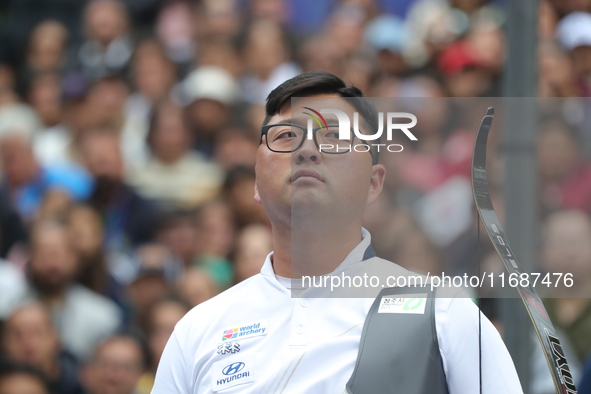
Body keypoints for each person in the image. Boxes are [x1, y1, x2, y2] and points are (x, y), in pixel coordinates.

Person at [152, 71, 523, 393]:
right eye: (285, 136)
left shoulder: (442, 312)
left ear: (374, 185)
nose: (308, 150)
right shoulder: (199, 330)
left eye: (333, 137)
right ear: (255, 183)